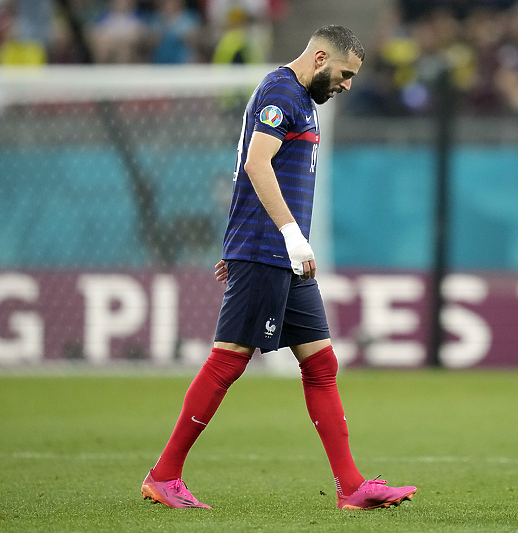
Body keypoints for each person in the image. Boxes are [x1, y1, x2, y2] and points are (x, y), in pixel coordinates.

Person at [141, 25, 417, 511]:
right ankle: (164, 475)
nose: (348, 85)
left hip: (280, 254)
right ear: (319, 57)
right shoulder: (280, 91)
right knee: (229, 359)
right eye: (345, 73)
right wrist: (286, 235)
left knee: (321, 364)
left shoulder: (303, 100)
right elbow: (257, 163)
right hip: (270, 249)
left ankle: (351, 487)